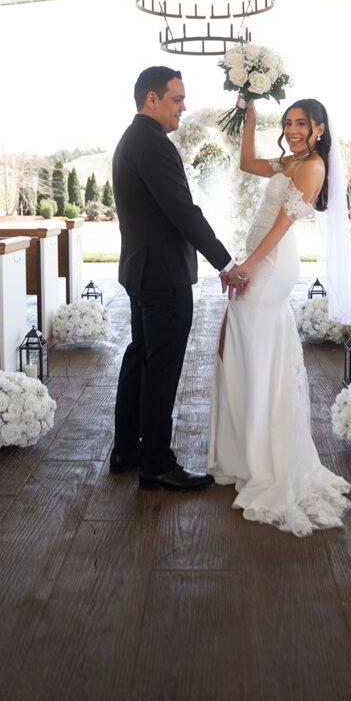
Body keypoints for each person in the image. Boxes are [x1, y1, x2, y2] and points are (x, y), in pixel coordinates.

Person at [208, 97, 351, 535]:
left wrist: (247, 266)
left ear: (320, 129)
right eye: (288, 122)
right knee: (247, 351)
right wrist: (250, 116)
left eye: (301, 124)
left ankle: (264, 461)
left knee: (254, 352)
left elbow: (282, 226)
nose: (292, 130)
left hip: (270, 267)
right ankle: (244, 457)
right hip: (260, 259)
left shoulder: (312, 168)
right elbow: (247, 162)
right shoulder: (290, 162)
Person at [112, 65, 245, 492]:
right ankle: (155, 462)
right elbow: (183, 211)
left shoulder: (134, 139)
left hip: (142, 271)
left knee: (142, 359)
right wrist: (225, 262)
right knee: (161, 369)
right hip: (163, 277)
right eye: (177, 99)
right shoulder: (152, 144)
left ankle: (128, 449)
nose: (184, 107)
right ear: (152, 99)